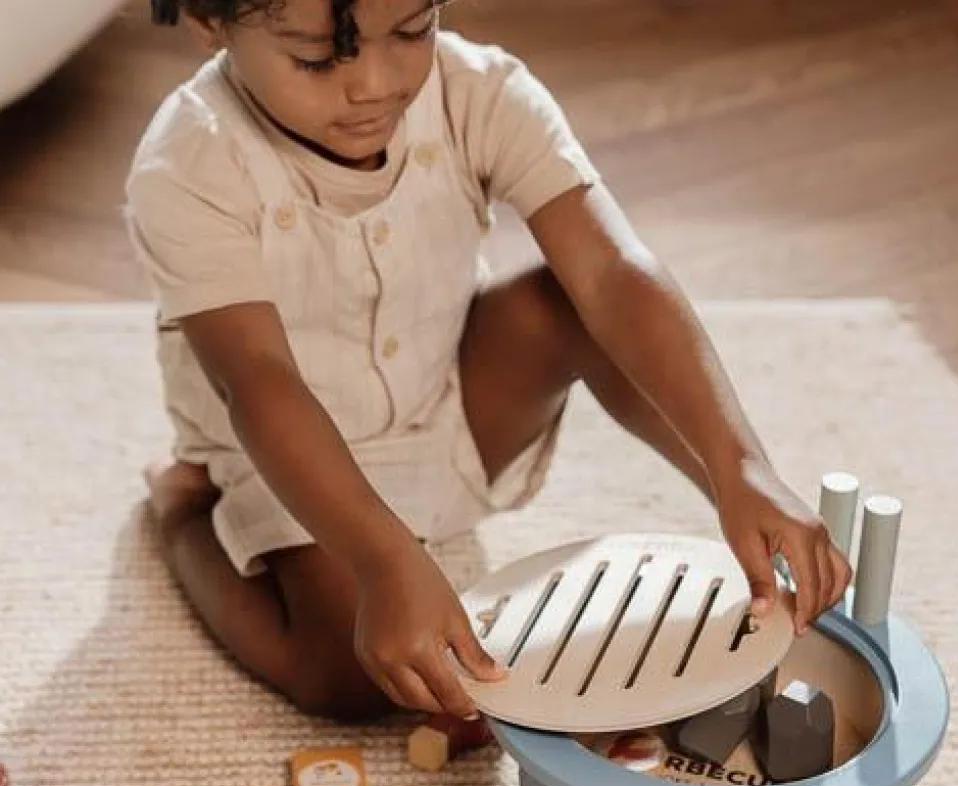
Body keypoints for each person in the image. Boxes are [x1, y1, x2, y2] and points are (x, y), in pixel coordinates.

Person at [125, 0, 852, 724]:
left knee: (576, 299)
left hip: (442, 397)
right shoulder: (188, 162)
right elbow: (261, 382)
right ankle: (183, 507)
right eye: (315, 57)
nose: (374, 84)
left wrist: (739, 463)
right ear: (209, 21)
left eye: (412, 30)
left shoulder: (479, 91)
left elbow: (612, 273)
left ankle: (737, 499)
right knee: (346, 677)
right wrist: (386, 563)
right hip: (283, 450)